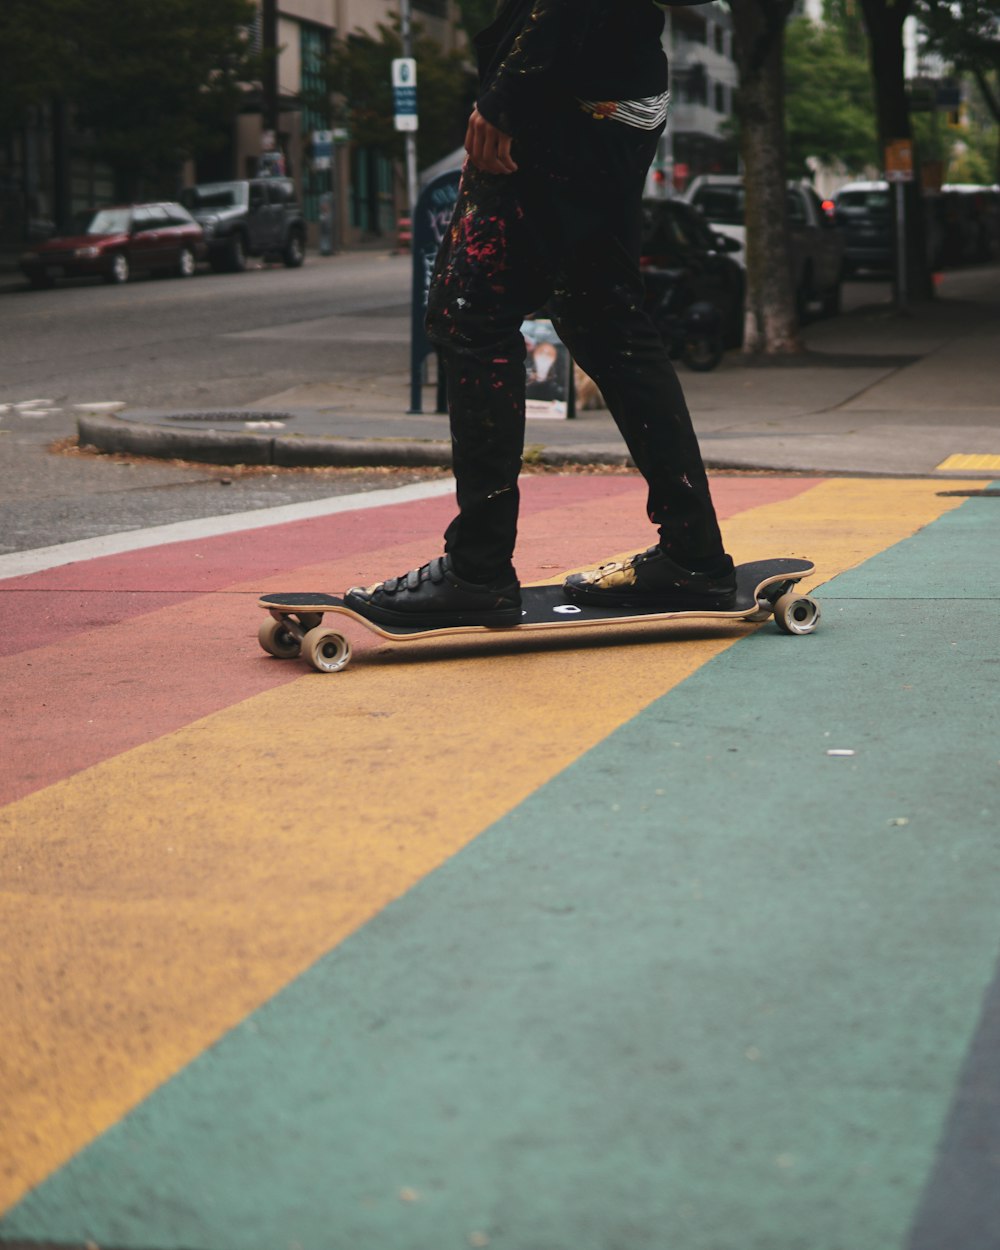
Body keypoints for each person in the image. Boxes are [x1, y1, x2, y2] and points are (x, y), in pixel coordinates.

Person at [347, 0, 735, 629]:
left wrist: (507, 96)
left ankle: (476, 570)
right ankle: (693, 553)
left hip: (568, 90)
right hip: (613, 87)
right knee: (605, 321)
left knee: (469, 312)